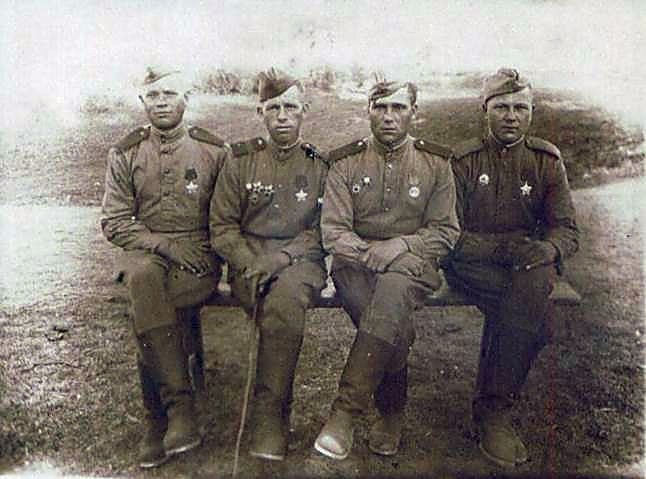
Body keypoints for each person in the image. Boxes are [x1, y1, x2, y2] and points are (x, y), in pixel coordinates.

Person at [314, 80, 460, 460]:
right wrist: (374, 253)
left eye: (399, 107)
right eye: (381, 108)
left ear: (414, 112)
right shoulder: (345, 162)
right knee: (395, 325)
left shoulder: (435, 163)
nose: (389, 117)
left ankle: (346, 413)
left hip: (412, 266)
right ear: (369, 111)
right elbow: (334, 232)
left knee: (393, 292)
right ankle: (391, 413)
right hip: (355, 268)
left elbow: (445, 232)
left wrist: (401, 246)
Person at [444, 68, 579, 468]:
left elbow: (566, 229)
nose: (511, 116)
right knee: (540, 314)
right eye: (501, 107)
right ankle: (495, 412)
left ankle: (492, 408)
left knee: (533, 292)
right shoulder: (463, 161)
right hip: (473, 265)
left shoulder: (546, 160)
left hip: (527, 265)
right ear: (484, 109)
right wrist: (505, 250)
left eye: (521, 107)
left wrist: (548, 248)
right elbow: (449, 235)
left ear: (532, 112)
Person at [101, 67, 229, 468]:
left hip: (197, 258)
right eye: (153, 96)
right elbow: (115, 221)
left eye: (169, 94)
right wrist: (164, 245)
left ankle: (158, 419)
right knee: (145, 280)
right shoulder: (125, 152)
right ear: (143, 102)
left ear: (186, 98)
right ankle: (176, 411)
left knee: (147, 298)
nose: (160, 103)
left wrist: (201, 249)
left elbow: (226, 218)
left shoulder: (214, 151)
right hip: (148, 252)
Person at [209, 68, 328, 461]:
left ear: (304, 110)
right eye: (273, 108)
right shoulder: (239, 160)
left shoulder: (319, 165)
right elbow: (222, 227)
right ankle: (272, 414)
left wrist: (282, 257)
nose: (282, 116)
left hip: (300, 261)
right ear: (260, 111)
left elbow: (323, 228)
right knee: (272, 302)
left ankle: (270, 417)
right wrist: (249, 261)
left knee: (285, 300)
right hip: (249, 261)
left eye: (290, 107)